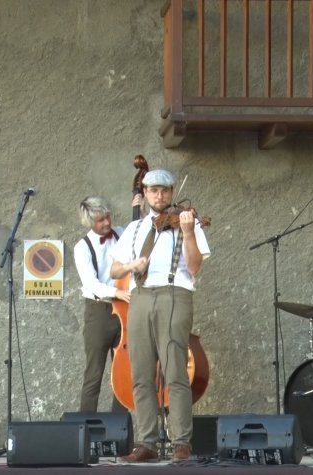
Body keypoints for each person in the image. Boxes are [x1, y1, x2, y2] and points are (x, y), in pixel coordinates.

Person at [110, 169, 210, 463]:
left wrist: (188, 232)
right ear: (144, 193)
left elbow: (194, 267)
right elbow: (114, 270)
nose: (159, 195)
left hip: (174, 293)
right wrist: (131, 266)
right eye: (153, 190)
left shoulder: (186, 223)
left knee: (175, 368)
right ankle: (146, 443)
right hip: (140, 296)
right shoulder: (134, 228)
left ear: (171, 192)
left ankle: (181, 442)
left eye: (164, 190)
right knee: (141, 372)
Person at [73, 196, 131, 412]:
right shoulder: (82, 247)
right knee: (94, 374)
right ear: (90, 223)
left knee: (123, 373)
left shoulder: (122, 233)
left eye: (107, 217)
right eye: (100, 220)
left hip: (125, 309)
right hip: (99, 311)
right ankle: (86, 426)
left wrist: (140, 207)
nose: (107, 223)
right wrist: (117, 292)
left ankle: (119, 426)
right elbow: (91, 283)